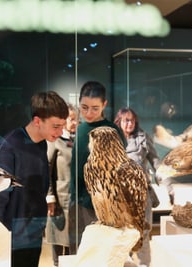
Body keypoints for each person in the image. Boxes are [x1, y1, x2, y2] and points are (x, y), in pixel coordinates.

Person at [0, 91, 69, 267]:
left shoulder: (41, 143)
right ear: (37, 121)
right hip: (11, 238)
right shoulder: (9, 147)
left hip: (32, 231)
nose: (61, 132)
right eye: (55, 126)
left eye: (62, 126)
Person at [68, 81, 126, 254]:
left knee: (100, 251)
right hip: (77, 200)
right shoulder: (80, 129)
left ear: (104, 105)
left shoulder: (112, 130)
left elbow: (120, 169)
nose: (88, 113)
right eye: (84, 107)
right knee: (79, 251)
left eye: (95, 108)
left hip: (103, 204)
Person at [114, 107, 160, 267]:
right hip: (121, 195)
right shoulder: (113, 140)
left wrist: (167, 183)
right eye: (126, 120)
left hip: (142, 194)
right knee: (123, 232)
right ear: (119, 121)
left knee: (143, 232)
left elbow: (156, 162)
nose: (130, 123)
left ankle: (144, 264)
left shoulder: (143, 138)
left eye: (132, 120)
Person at [45, 103, 79, 267]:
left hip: (78, 202)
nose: (74, 123)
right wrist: (50, 198)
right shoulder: (54, 141)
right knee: (58, 243)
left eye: (76, 119)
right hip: (60, 201)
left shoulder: (81, 140)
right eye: (71, 119)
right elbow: (46, 170)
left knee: (76, 245)